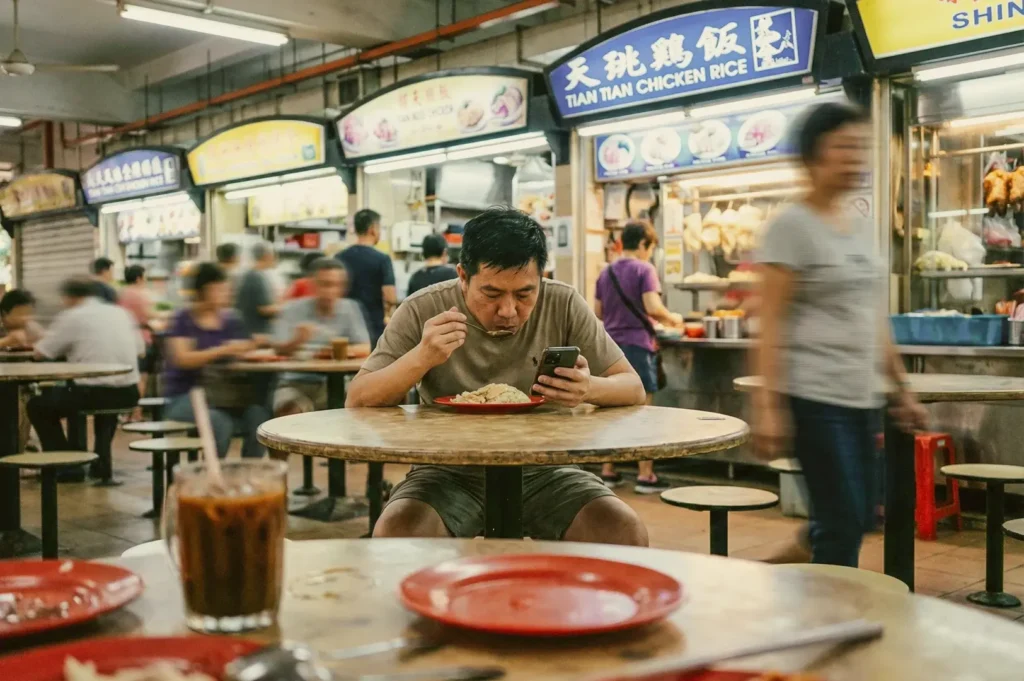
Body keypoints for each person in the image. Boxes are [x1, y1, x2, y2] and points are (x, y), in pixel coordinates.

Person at [348, 207, 648, 545]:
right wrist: (422, 357)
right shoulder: (423, 308)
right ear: (462, 275)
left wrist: (588, 387)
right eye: (490, 294)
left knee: (623, 531)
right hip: (447, 469)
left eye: (524, 294)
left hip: (546, 467)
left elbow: (633, 388)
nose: (508, 311)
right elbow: (358, 399)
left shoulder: (563, 302)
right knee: (396, 536)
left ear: (541, 276)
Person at [753, 102, 928, 567]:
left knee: (857, 516)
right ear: (813, 157)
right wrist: (769, 407)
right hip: (816, 397)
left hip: (862, 397)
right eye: (844, 148)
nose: (856, 158)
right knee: (841, 524)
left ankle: (769, 577)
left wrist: (901, 389)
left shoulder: (860, 228)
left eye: (860, 148)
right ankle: (829, 625)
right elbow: (770, 323)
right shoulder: (791, 227)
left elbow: (873, 318)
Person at [594, 222, 682, 494]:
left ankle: (608, 471)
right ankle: (646, 476)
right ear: (643, 243)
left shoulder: (606, 272)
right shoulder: (645, 269)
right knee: (644, 413)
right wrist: (674, 318)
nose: (650, 253)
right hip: (637, 347)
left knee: (611, 412)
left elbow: (598, 311)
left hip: (609, 349)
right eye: (651, 247)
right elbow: (652, 307)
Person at [163, 262, 270, 459]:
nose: (226, 293)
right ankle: (213, 479)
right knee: (220, 423)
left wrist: (251, 346)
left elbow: (241, 350)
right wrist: (223, 350)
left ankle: (247, 475)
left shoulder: (231, 319)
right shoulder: (183, 319)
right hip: (186, 395)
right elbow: (182, 359)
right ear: (202, 291)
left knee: (260, 418)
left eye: (227, 288)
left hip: (227, 395)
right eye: (219, 288)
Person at [28, 277, 143, 456]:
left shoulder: (73, 315)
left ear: (69, 297)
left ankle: (65, 463)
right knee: (96, 395)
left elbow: (41, 353)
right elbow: (140, 351)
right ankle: (100, 462)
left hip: (91, 393)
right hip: (129, 393)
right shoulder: (122, 313)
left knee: (37, 406)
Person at [272, 258, 370, 419]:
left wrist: (327, 352)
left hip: (339, 382)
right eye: (325, 284)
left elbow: (365, 348)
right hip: (296, 382)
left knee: (364, 407)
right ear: (312, 284)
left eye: (337, 285)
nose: (330, 291)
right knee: (290, 411)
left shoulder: (350, 308)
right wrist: (297, 340)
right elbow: (277, 349)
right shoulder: (292, 309)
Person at [336, 209, 397, 348]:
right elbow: (390, 296)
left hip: (344, 327)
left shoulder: (339, 258)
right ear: (373, 229)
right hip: (372, 326)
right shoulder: (382, 259)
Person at [119, 265, 157, 412]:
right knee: (141, 377)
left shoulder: (120, 294)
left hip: (123, 339)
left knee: (127, 377)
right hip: (141, 339)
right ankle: (136, 413)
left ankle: (125, 412)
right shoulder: (140, 294)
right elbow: (149, 315)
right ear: (139, 278)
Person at [236, 242, 279, 336]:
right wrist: (289, 308)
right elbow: (264, 309)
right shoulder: (256, 277)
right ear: (267, 256)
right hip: (257, 332)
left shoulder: (248, 274)